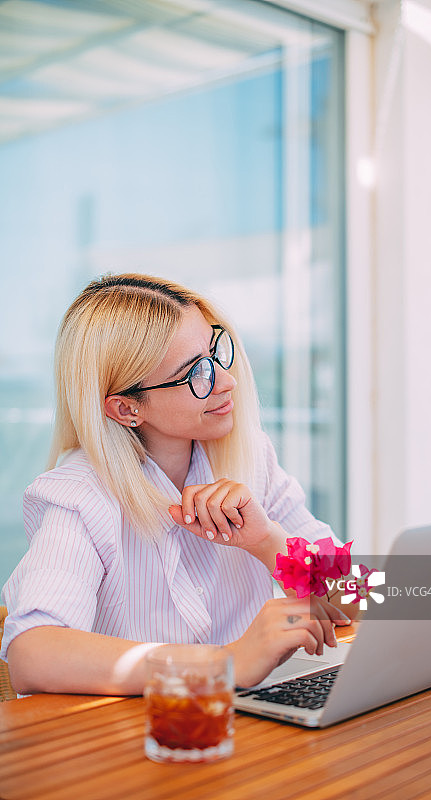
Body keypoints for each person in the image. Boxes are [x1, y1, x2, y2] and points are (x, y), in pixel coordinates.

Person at [1, 273, 352, 696]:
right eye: (195, 373)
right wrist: (224, 663)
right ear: (126, 408)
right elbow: (33, 654)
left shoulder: (250, 457)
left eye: (216, 353)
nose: (226, 381)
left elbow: (357, 596)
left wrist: (267, 541)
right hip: (136, 738)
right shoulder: (79, 496)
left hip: (246, 723)